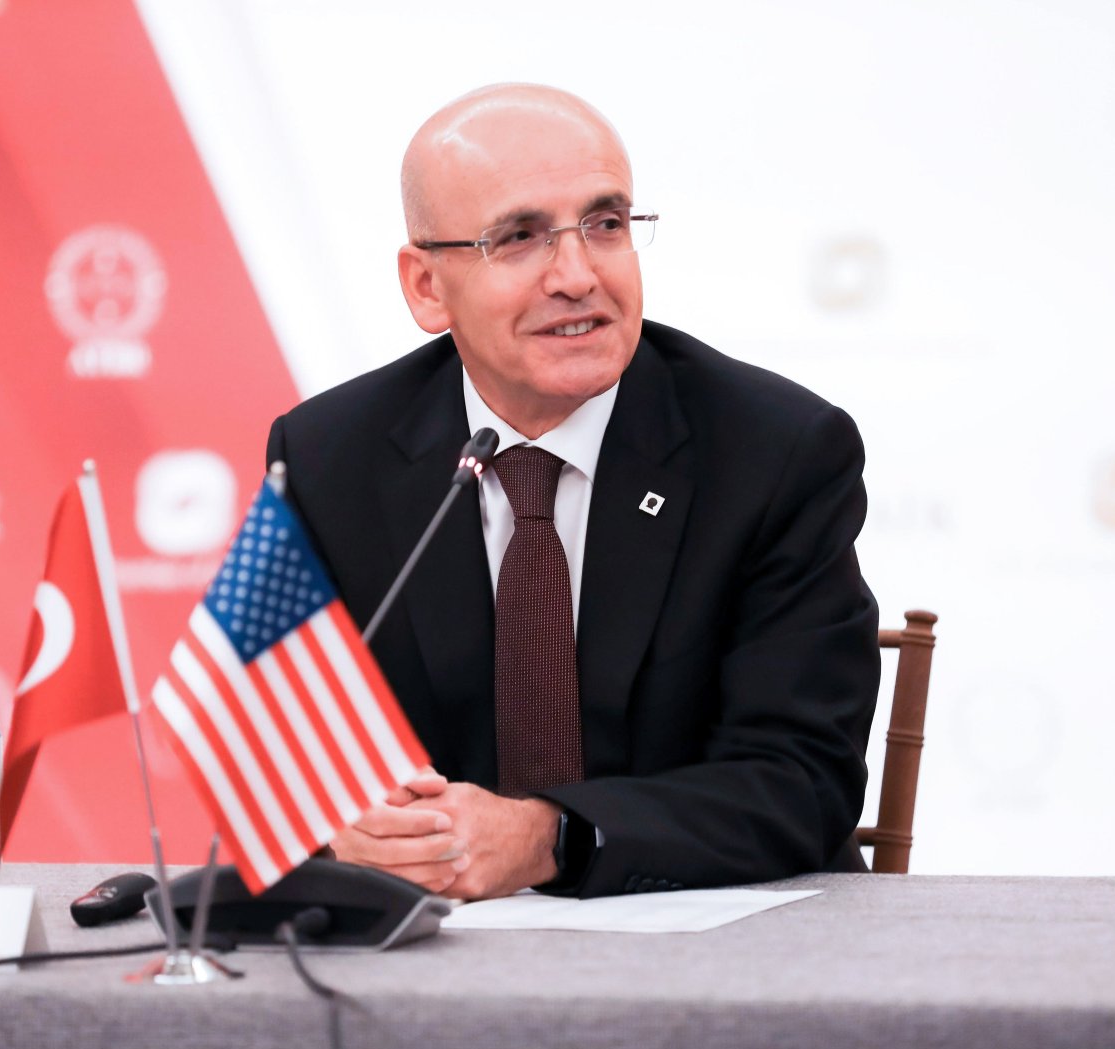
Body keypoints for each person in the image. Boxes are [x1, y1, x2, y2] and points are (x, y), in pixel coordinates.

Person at [266, 83, 879, 900]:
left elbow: (800, 782)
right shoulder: (327, 458)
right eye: (519, 238)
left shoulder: (775, 452)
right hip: (432, 969)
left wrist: (551, 836)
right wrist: (347, 827)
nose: (578, 275)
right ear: (425, 288)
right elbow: (284, 757)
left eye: (606, 225)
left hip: (724, 951)